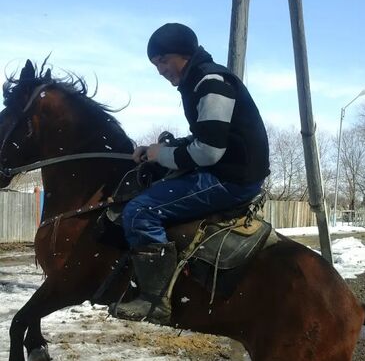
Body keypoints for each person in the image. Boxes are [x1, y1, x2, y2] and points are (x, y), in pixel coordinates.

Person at [113, 22, 270, 325]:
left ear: (183, 54)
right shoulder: (199, 80)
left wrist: (162, 155)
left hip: (231, 180)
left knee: (140, 211)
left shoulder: (211, 83)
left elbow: (209, 151)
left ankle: (155, 300)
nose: (160, 70)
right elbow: (203, 136)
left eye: (163, 61)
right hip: (230, 171)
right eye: (155, 64)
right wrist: (158, 151)